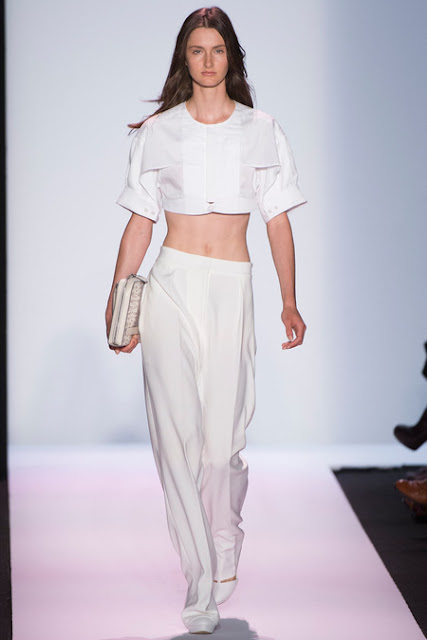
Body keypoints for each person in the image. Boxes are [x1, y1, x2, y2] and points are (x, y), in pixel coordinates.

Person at [105, 6, 307, 635]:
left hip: (231, 287)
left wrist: (289, 300)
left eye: (218, 50)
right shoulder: (157, 133)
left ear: (232, 58)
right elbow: (140, 221)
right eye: (197, 50)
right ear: (184, 58)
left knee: (222, 449)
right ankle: (198, 585)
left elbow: (278, 220)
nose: (208, 60)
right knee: (177, 441)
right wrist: (118, 298)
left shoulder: (263, 131)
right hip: (170, 284)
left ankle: (225, 537)